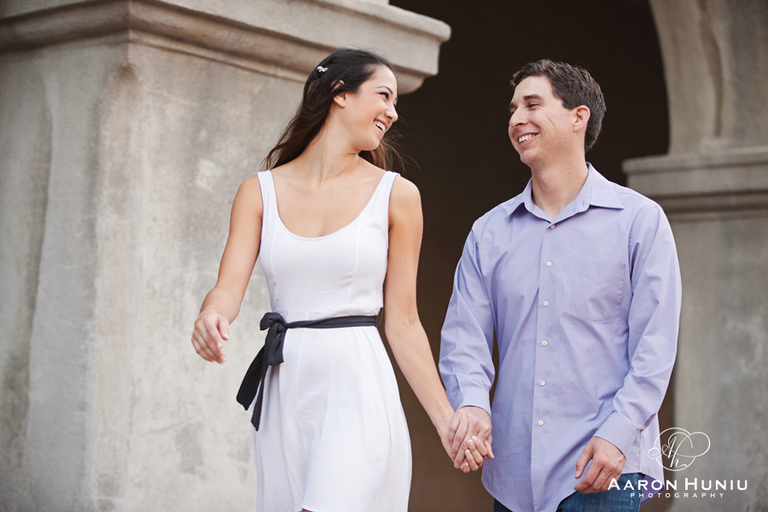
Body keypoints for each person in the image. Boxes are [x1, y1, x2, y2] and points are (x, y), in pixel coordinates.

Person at [191, 48, 489, 512]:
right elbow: (228, 286)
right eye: (384, 95)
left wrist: (446, 421)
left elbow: (404, 322)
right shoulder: (259, 191)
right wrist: (211, 314)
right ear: (339, 94)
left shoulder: (397, 195)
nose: (392, 112)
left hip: (356, 383)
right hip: (284, 385)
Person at [440, 59, 682, 512]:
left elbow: (655, 345)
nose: (516, 119)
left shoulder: (640, 222)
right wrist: (471, 403)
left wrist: (619, 433)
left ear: (579, 116)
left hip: (604, 464)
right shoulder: (488, 233)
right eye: (512, 109)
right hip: (512, 474)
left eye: (533, 104)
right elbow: (463, 338)